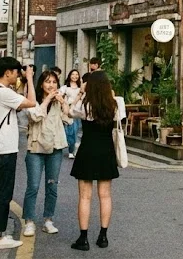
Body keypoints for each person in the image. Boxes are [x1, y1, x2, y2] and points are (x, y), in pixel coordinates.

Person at [0, 57, 37, 250]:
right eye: (16, 72)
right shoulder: (3, 93)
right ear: (7, 73)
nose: (18, 75)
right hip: (4, 150)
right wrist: (30, 78)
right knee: (3, 193)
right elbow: (31, 102)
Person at [69, 71, 119, 251]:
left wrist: (80, 93)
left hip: (88, 150)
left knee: (85, 196)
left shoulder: (85, 105)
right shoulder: (113, 105)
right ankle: (103, 236)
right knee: (105, 195)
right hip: (106, 151)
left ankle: (83, 238)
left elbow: (69, 111)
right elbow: (119, 120)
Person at [22, 70, 73, 237]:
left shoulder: (58, 101)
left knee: (52, 185)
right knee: (33, 186)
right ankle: (29, 221)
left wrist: (63, 101)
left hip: (55, 148)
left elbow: (69, 118)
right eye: (47, 82)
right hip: (36, 148)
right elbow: (35, 116)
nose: (51, 85)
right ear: (41, 84)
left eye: (54, 82)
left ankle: (48, 220)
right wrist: (48, 99)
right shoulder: (33, 100)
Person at [60, 69, 83, 158]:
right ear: (69, 76)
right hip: (69, 111)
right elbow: (59, 95)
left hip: (79, 111)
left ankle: (76, 150)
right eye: (73, 74)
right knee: (71, 131)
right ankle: (71, 150)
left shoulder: (80, 88)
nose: (75, 76)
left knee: (78, 131)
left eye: (76, 74)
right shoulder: (65, 87)